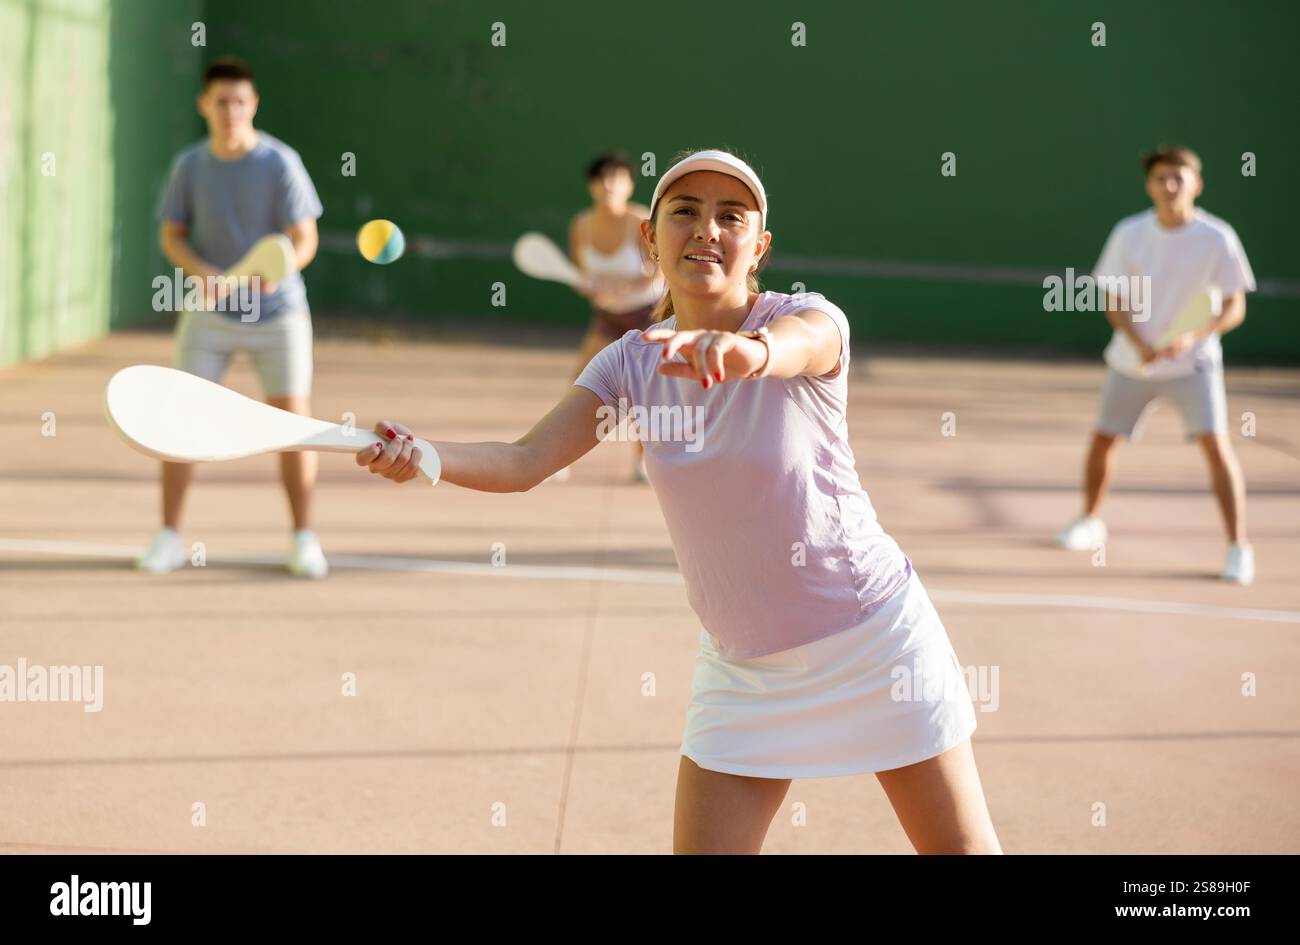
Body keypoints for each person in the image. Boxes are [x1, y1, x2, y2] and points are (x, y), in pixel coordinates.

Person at [355, 148, 1001, 854]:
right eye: (686, 212)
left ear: (760, 246)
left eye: (731, 216)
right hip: (744, 669)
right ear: (650, 238)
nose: (707, 229)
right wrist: (428, 456)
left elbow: (802, 345)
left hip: (874, 640)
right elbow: (525, 459)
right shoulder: (631, 361)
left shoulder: (808, 317)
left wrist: (747, 353)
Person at [137, 57, 327, 578]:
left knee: (292, 422)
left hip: (278, 313)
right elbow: (171, 234)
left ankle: (303, 539)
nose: (231, 111)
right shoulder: (190, 166)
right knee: (178, 420)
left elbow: (304, 238)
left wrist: (283, 266)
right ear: (204, 105)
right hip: (209, 315)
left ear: (254, 105)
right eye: (221, 102)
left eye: (240, 102)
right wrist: (201, 272)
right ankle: (170, 537)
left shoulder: (280, 163)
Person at [1057, 145, 1257, 585]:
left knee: (1217, 447)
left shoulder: (1218, 238)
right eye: (1160, 178)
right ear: (1149, 185)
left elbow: (1233, 306)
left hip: (1196, 366)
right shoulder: (1129, 234)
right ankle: (1090, 520)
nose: (1169, 186)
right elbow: (1113, 302)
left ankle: (1238, 548)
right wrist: (1139, 341)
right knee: (1103, 439)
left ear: (1196, 184)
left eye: (1178, 178)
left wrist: (1193, 336)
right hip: (1131, 363)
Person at [548, 151, 664, 484]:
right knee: (580, 386)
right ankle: (556, 457)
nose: (610, 185)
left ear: (629, 185)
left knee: (648, 391)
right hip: (607, 318)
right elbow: (582, 274)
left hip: (648, 317)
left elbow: (659, 272)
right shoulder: (580, 225)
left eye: (618, 178)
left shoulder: (641, 220)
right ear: (592, 186)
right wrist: (591, 287)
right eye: (602, 178)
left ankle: (644, 463)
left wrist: (620, 284)